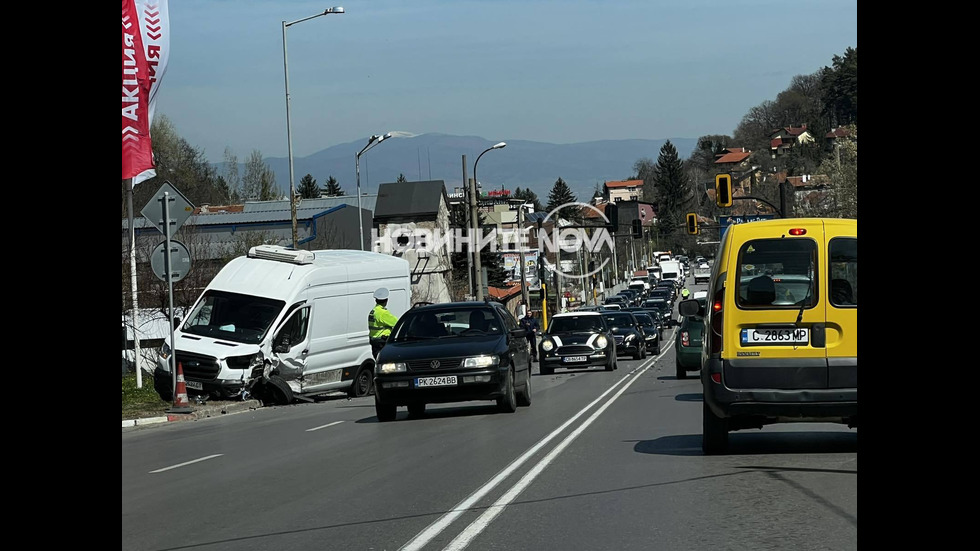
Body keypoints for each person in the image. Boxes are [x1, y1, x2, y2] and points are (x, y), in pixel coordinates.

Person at [368, 288, 399, 358]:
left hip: (374, 341)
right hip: (382, 342)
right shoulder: (383, 313)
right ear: (386, 301)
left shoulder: (373, 311)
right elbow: (397, 323)